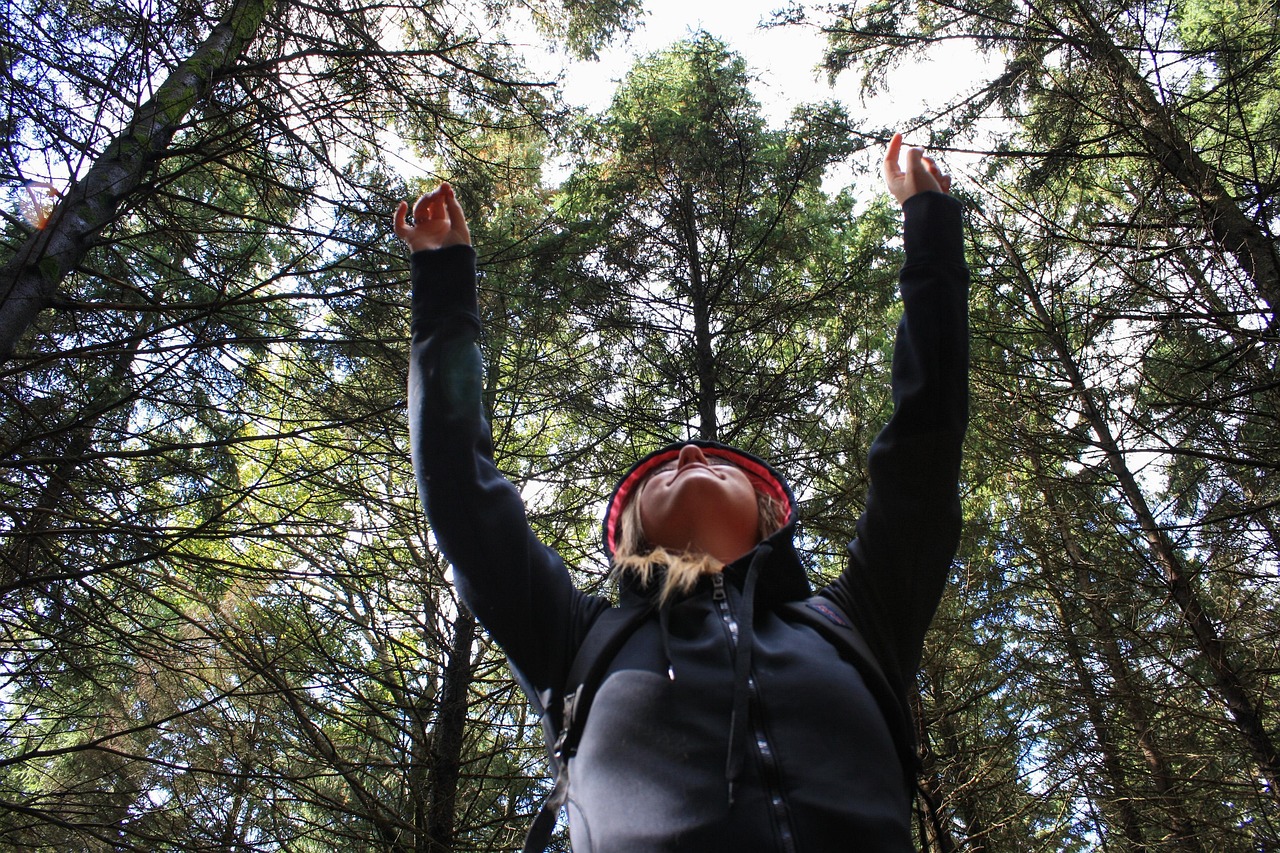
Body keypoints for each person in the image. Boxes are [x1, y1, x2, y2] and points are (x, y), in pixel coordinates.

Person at [397, 132, 969, 852]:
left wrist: (931, 233)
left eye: (721, 460)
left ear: (770, 516)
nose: (693, 451)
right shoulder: (577, 640)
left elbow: (928, 438)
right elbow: (459, 487)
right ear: (630, 529)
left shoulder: (858, 622)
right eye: (660, 468)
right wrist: (443, 281)